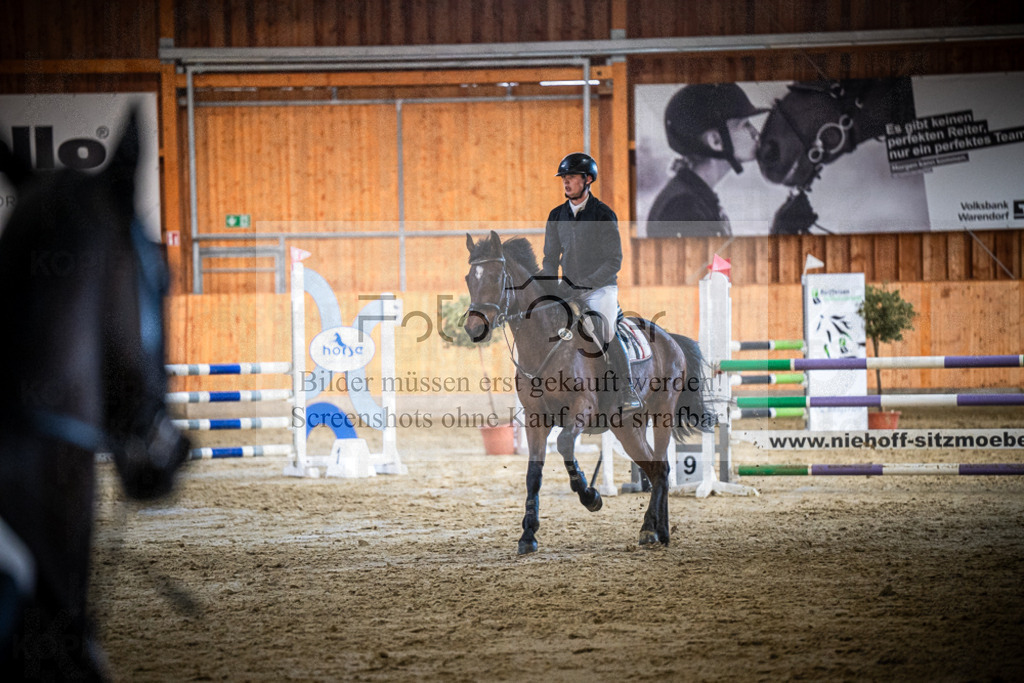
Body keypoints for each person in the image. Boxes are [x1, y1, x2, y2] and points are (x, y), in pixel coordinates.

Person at [539, 152, 643, 413]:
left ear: (587, 180)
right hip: (567, 289)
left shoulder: (603, 214)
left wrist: (582, 285)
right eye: (564, 177)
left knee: (604, 329)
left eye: (571, 177)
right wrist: (549, 286)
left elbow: (613, 261)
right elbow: (550, 258)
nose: (566, 182)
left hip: (600, 288)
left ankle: (628, 389)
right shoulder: (556, 215)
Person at [646, 83, 767, 238]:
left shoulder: (693, 196)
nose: (756, 134)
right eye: (745, 125)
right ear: (716, 141)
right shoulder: (684, 208)